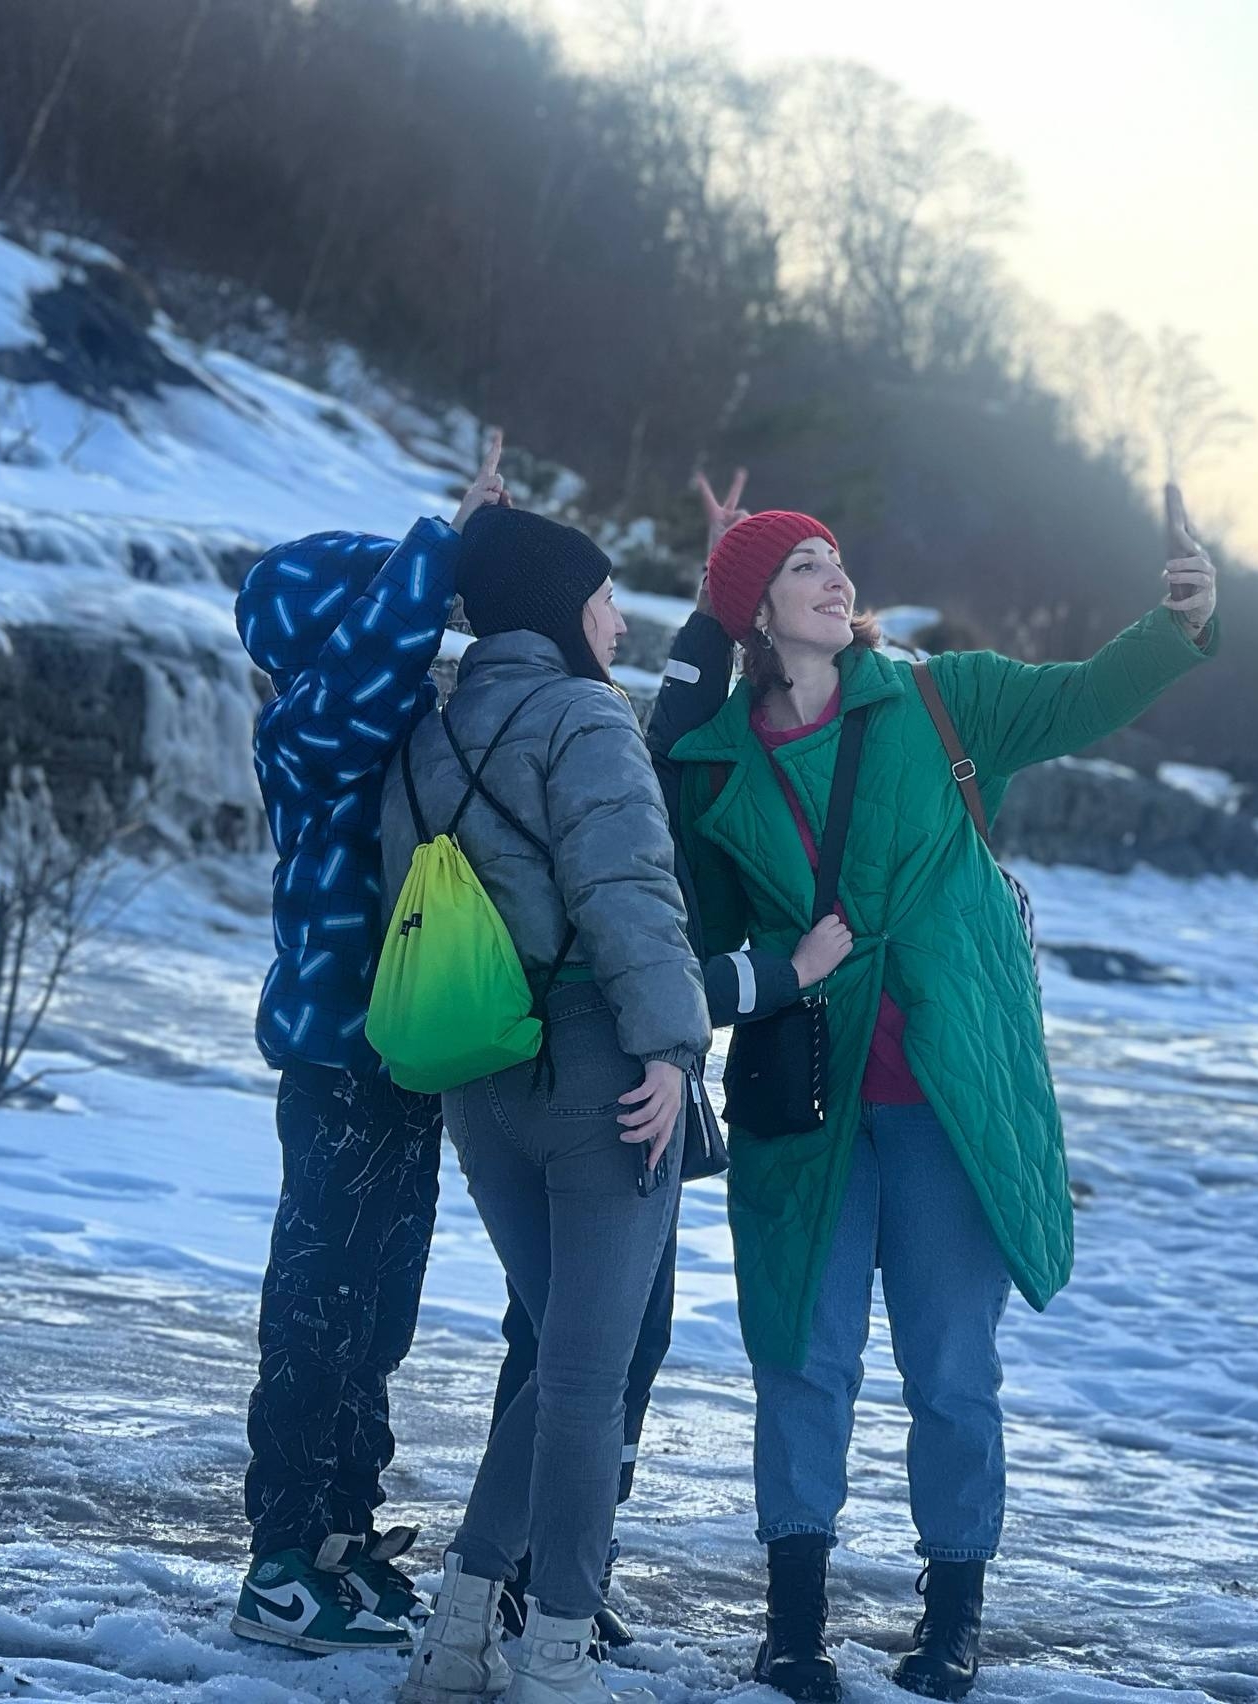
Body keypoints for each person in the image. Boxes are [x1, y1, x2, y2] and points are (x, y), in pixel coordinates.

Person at [670, 508, 1222, 1701]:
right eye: (801, 568)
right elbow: (690, 937)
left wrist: (1175, 626)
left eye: (835, 562)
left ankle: (952, 1615)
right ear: (755, 612)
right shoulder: (712, 762)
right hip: (802, 1100)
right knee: (800, 1360)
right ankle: (793, 1628)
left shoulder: (939, 697)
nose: (834, 579)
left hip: (948, 1097)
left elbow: (1081, 697)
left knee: (952, 1371)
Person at [482, 472, 849, 1651]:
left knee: (599, 1342)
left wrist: (715, 586)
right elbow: (657, 948)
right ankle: (534, 1584)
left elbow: (685, 703)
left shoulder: (603, 738)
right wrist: (785, 974)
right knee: (583, 1345)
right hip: (620, 1068)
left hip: (568, 1066)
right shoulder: (628, 752)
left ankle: (553, 1572)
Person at [390, 506, 710, 1704]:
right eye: (605, 596)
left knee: (557, 1362)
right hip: (596, 1069)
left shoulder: (424, 729)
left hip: (477, 1079)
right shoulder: (585, 714)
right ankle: (559, 1648)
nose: (618, 622)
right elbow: (628, 886)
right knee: (585, 1377)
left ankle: (460, 1633)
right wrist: (670, 1046)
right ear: (559, 604)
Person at [227, 435, 511, 1654]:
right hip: (334, 1062)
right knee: (318, 1307)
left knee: (380, 1311)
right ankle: (281, 1559)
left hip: (399, 1060)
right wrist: (440, 545)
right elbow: (369, 665)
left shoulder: (380, 725)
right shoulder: (309, 727)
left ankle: (344, 1538)